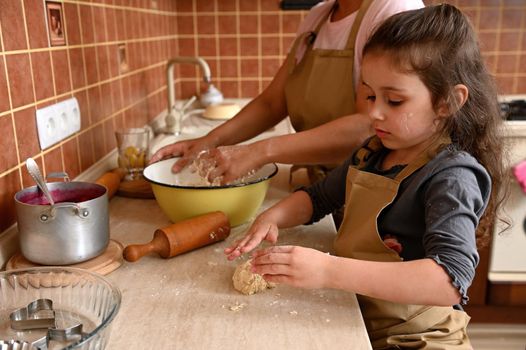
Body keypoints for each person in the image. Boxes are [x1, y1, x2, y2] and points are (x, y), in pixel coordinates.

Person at [225, 4, 508, 349]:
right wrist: (273, 217)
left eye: (394, 100)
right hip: (360, 319)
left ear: (447, 101)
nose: (374, 112)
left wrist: (328, 271)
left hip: (420, 337)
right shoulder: (372, 152)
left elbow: (449, 280)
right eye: (370, 94)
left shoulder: (452, 175)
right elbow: (318, 198)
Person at [150, 0, 424, 185]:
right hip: (324, 187)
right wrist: (209, 141)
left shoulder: (393, 9)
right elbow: (273, 102)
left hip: (373, 189)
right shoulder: (317, 17)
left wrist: (260, 151)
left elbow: (371, 125)